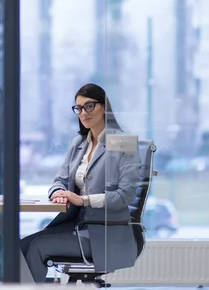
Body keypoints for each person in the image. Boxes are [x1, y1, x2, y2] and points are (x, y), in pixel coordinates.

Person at [20, 83, 141, 283]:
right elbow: (59, 180)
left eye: (89, 106)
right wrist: (58, 192)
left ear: (104, 107)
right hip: (77, 225)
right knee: (20, 247)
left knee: (36, 247)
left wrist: (82, 200)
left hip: (103, 232)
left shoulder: (123, 142)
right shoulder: (78, 143)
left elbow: (125, 196)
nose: (83, 113)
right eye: (79, 108)